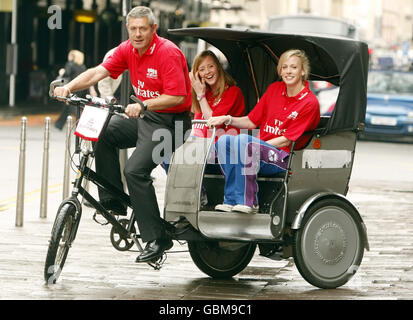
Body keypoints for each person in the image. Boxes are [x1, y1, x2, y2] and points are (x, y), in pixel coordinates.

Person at [53, 6, 192, 263]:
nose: (138, 34)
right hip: (146, 118)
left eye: (143, 28)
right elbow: (98, 72)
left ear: (153, 29)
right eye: (133, 28)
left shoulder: (167, 52)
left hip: (173, 123)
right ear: (128, 29)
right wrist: (68, 86)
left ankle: (157, 238)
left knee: (134, 171)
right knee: (104, 130)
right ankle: (113, 200)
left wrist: (144, 105)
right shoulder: (127, 48)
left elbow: (178, 95)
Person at [207, 49, 320, 214]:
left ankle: (249, 202)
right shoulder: (274, 89)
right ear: (280, 71)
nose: (288, 71)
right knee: (224, 141)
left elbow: (286, 140)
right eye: (284, 67)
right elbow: (251, 121)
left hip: (284, 158)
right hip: (258, 150)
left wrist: (252, 146)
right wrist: (227, 119)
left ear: (302, 71)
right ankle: (231, 200)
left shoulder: (309, 102)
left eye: (294, 67)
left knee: (243, 143)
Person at [190, 50, 245, 139]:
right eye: (202, 69)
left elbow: (212, 124)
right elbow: (197, 128)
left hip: (223, 147)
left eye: (211, 66)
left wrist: (200, 96)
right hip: (201, 146)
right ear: (198, 74)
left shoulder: (233, 92)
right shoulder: (204, 92)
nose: (207, 72)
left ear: (218, 67)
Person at [54, 50, 97, 130]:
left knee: (73, 107)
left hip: (72, 89)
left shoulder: (70, 65)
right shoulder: (83, 66)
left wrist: (61, 72)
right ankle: (59, 124)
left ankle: (82, 124)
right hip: (82, 89)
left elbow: (66, 74)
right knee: (69, 107)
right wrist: (92, 90)